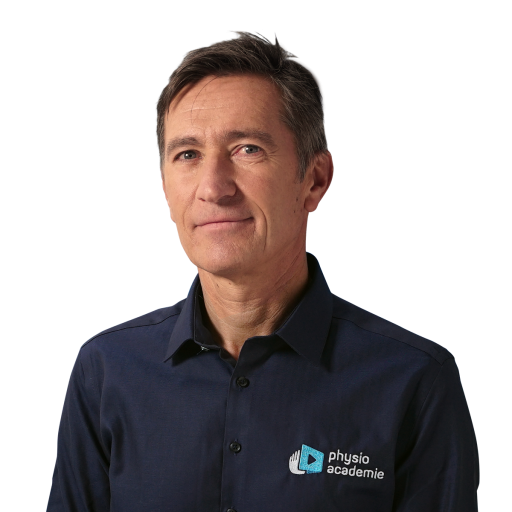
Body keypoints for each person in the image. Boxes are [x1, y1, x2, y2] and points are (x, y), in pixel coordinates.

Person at [46, 30, 479, 511]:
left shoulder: (414, 381)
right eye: (188, 154)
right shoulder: (105, 371)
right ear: (165, 185)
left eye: (247, 149)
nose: (214, 187)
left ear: (315, 180)